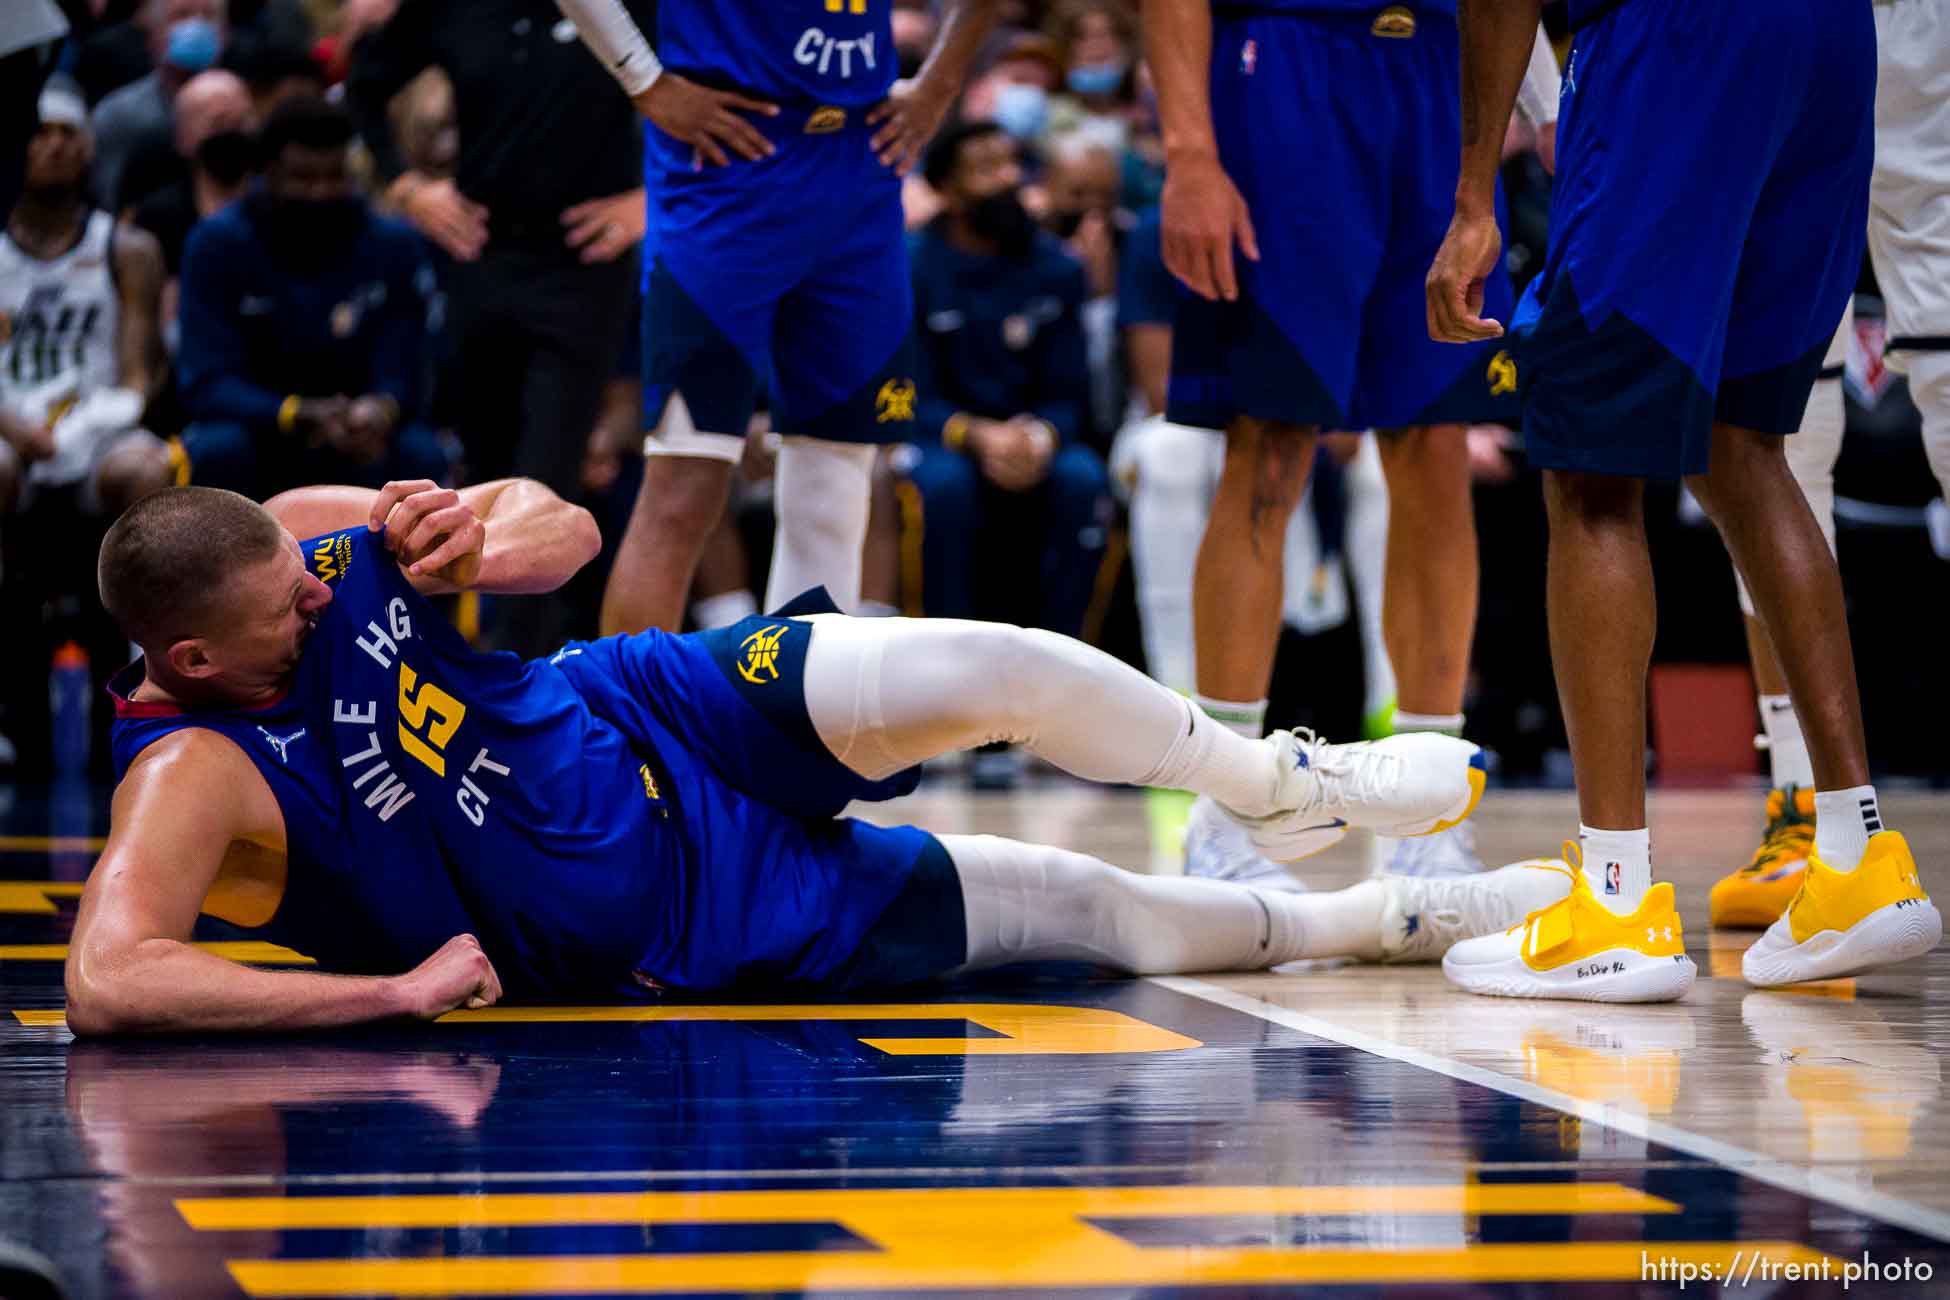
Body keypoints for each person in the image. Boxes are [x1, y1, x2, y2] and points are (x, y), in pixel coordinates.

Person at [64, 476, 1552, 1034]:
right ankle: (1375, 919)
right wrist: (383, 997)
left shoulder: (300, 538)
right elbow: (108, 977)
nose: (324, 602)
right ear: (193, 660)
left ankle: (1285, 782)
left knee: (993, 663)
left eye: (317, 578)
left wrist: (488, 533)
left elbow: (564, 525)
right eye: (289, 613)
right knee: (1075, 907)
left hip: (638, 703)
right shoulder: (190, 768)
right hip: (679, 915)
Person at [1426, 0, 1942, 1001]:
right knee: (1744, 446)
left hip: (1676, 37)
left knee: (1589, 471)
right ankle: (1857, 856)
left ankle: (1614, 899)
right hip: (1832, 42)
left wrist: (1473, 190)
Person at [1141, 0, 1545, 879]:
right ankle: (1227, 810)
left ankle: (1430, 810)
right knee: (1270, 451)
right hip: (1290, 70)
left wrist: (1544, 109)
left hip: (1445, 80)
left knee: (1437, 448)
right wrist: (1190, 152)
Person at [545, 0, 1003, 636]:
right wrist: (643, 79)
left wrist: (940, 83)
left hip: (858, 163)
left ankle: (796, 724)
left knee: (838, 482)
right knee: (684, 486)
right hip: (727, 162)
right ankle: (630, 727)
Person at [1708, 1, 1950, 932]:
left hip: (1913, 28)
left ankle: (1816, 813)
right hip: (1770, 29)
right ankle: (1804, 805)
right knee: (1769, 432)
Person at [175, 95, 447, 499]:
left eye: (334, 176)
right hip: (262, 425)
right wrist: (293, 413)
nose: (320, 192)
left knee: (421, 453)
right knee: (219, 449)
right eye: (302, 177)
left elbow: (407, 364)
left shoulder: (393, 243)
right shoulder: (217, 243)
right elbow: (206, 381)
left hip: (358, 426)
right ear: (267, 172)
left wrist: (379, 409)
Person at [903, 122, 1110, 643]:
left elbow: (1071, 392)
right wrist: (974, 435)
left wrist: (1040, 437)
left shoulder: (1056, 267)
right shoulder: (910, 266)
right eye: (985, 169)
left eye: (1011, 163)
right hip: (940, 435)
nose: (1008, 178)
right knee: (946, 487)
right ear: (947, 192)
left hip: (1031, 434)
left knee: (1082, 478)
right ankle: (943, 659)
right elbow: (900, 395)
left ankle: (1068, 658)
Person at [0, 78, 173, 520]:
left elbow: (138, 377)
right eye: (41, 132)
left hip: (99, 425)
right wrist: (17, 429)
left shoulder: (129, 249)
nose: (55, 145)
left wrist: (85, 427)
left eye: (68, 133)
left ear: (88, 148)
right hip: (8, 426)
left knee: (145, 469)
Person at [91, 0, 229, 216]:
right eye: (182, 15)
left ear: (225, 33)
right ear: (154, 33)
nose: (197, 25)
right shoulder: (117, 115)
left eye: (209, 15)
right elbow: (109, 205)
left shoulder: (242, 107)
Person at [128, 68, 257, 280]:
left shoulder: (282, 205)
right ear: (183, 137)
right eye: (219, 124)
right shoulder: (157, 219)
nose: (232, 134)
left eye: (241, 123)